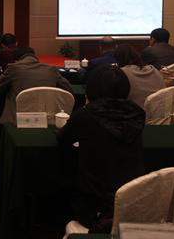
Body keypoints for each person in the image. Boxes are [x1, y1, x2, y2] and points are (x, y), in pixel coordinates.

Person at [57, 64, 145, 232]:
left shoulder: (86, 115)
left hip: (94, 206)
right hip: (132, 203)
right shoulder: (136, 114)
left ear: (92, 89)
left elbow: (63, 139)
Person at [0, 47, 73, 124]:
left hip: (17, 121)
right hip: (47, 120)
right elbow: (69, 89)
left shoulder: (13, 68)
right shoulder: (51, 69)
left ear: (17, 60)